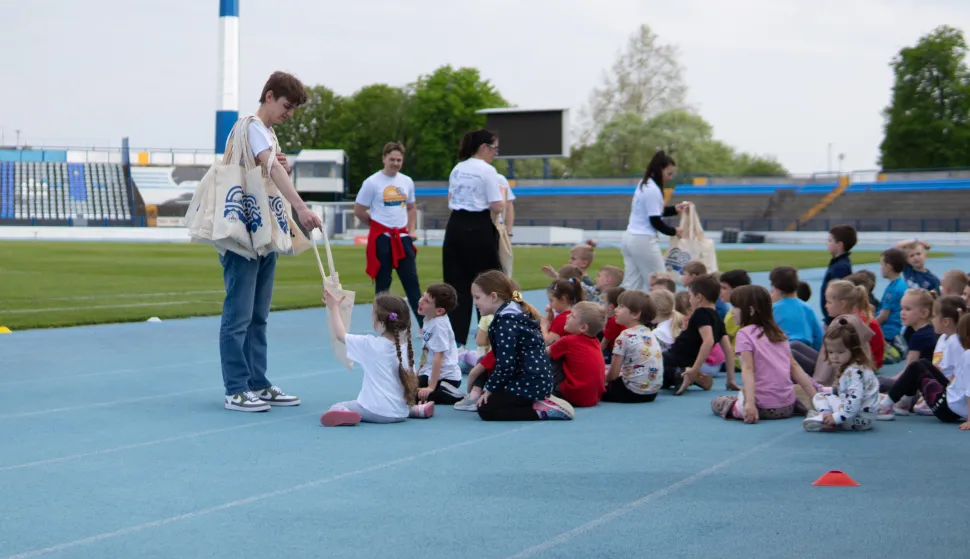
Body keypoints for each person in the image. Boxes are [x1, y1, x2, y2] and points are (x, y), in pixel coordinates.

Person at [221, 71, 324, 413]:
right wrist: (301, 207)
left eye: (293, 108)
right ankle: (235, 387)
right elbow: (273, 173)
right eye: (286, 105)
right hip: (243, 232)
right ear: (268, 96)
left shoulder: (267, 134)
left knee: (258, 315)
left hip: (263, 230)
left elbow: (274, 171)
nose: (289, 113)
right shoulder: (251, 126)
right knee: (239, 314)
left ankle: (258, 382)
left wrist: (279, 165)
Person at [470, 270, 575, 421]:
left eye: (477, 297)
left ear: (493, 297)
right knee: (490, 399)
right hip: (536, 380)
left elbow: (505, 364)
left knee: (486, 409)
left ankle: (542, 410)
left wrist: (489, 389)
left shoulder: (505, 322)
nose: (475, 303)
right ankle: (538, 401)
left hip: (530, 383)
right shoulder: (514, 313)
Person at [320, 291, 434, 426]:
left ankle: (348, 414)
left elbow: (340, 335)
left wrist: (335, 308)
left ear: (381, 322)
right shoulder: (406, 348)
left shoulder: (370, 344)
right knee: (400, 401)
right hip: (400, 412)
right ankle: (416, 410)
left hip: (375, 411)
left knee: (338, 406)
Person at [710, 285, 818, 423]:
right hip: (787, 406)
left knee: (718, 402)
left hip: (762, 408)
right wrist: (815, 398)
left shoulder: (744, 334)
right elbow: (794, 367)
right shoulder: (779, 333)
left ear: (750, 310)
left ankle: (745, 405)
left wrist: (750, 403)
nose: (732, 312)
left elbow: (748, 369)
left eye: (735, 307)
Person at [442, 129, 505, 346]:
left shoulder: (457, 168)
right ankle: (487, 341)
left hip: (455, 226)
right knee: (489, 284)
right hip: (478, 227)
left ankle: (456, 343)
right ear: (484, 147)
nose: (495, 153)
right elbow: (496, 204)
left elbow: (451, 197)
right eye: (495, 148)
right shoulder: (488, 171)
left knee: (456, 283)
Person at [355, 142, 423, 328]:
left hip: (402, 239)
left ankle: (424, 327)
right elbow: (359, 210)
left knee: (412, 285)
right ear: (384, 158)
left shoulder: (406, 181)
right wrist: (375, 226)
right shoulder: (372, 182)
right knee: (383, 285)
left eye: (399, 160)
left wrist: (411, 229)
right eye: (392, 159)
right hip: (382, 240)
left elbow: (411, 207)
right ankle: (384, 325)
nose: (395, 163)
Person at [620, 150, 689, 291]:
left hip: (630, 237)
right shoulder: (653, 190)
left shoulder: (644, 184)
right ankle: (664, 312)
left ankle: (624, 311)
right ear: (659, 170)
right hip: (643, 239)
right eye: (668, 173)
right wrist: (673, 231)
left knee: (632, 285)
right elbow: (655, 221)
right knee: (662, 283)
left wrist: (675, 209)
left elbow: (654, 211)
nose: (669, 178)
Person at [802, 318, 881, 432]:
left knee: (819, 397)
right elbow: (846, 392)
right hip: (864, 418)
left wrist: (836, 418)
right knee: (822, 395)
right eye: (830, 352)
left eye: (840, 352)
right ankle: (826, 415)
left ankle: (826, 419)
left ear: (853, 350)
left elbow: (854, 401)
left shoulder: (853, 372)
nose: (834, 356)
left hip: (857, 420)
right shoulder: (857, 366)